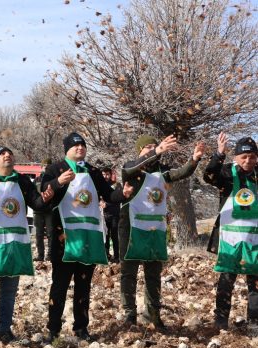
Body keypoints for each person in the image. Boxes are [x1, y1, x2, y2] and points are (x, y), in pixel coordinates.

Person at [40, 132, 133, 342]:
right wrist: (57, 182)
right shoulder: (55, 169)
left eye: (83, 145)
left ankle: (81, 328)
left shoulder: (92, 171)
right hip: (64, 238)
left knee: (84, 285)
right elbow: (43, 191)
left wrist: (123, 194)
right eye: (75, 145)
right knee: (59, 285)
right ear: (67, 149)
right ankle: (53, 329)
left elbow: (108, 194)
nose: (80, 148)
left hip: (88, 237)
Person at [0, 146, 54, 346]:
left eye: (10, 153)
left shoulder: (22, 180)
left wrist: (45, 198)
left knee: (9, 288)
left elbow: (36, 203)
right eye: (2, 154)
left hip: (14, 240)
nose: (7, 155)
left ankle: (4, 330)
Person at [119, 134, 203, 329]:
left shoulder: (162, 171)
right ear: (139, 151)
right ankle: (129, 316)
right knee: (128, 273)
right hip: (131, 229)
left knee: (153, 274)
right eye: (147, 147)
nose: (152, 149)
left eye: (154, 146)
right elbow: (128, 170)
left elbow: (180, 173)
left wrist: (194, 159)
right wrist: (156, 151)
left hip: (155, 230)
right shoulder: (131, 168)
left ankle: (153, 315)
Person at [203, 133, 258, 330]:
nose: (248, 161)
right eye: (244, 157)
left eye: (252, 157)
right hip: (229, 238)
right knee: (226, 280)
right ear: (236, 157)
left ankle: (254, 322)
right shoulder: (226, 172)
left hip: (254, 238)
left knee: (255, 282)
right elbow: (209, 176)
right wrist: (219, 154)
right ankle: (221, 321)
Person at [33, 159, 54, 261]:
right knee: (39, 234)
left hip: (50, 210)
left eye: (48, 165)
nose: (46, 167)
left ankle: (50, 255)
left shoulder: (54, 179)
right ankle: (40, 255)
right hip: (38, 210)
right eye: (44, 165)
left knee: (51, 233)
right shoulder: (37, 180)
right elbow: (32, 194)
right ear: (41, 167)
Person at [100, 167, 121, 263]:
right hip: (103, 215)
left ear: (110, 174)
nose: (105, 176)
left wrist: (107, 204)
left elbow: (118, 199)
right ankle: (106, 255)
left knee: (114, 236)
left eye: (107, 174)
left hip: (114, 214)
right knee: (105, 235)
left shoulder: (116, 185)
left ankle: (117, 256)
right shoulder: (99, 185)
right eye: (103, 174)